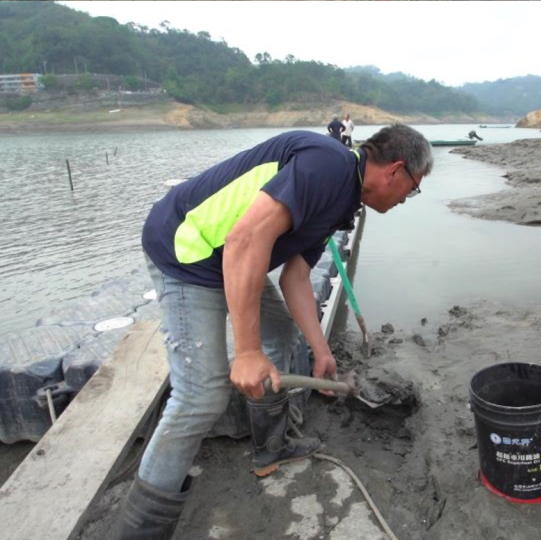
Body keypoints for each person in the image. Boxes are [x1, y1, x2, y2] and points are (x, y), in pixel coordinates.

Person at [119, 125, 433, 538]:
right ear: (396, 171)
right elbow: (245, 239)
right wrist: (247, 351)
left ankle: (271, 447)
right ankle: (139, 531)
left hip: (225, 256)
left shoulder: (343, 200)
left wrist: (321, 351)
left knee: (283, 336)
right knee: (201, 395)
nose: (406, 199)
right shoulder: (327, 165)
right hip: (188, 249)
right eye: (412, 189)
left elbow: (297, 278)